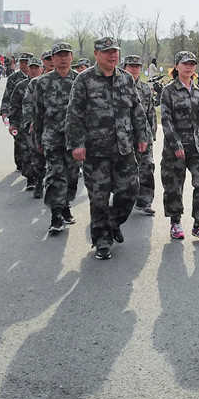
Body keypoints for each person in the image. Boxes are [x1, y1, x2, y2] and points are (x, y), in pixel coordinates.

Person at [66, 37, 148, 260]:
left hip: (124, 148)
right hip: (95, 151)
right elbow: (74, 115)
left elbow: (136, 111)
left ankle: (112, 222)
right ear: (96, 54)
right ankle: (102, 240)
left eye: (115, 51)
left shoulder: (126, 79)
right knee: (99, 198)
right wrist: (77, 143)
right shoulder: (84, 80)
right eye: (107, 52)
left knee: (130, 191)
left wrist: (143, 136)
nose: (112, 55)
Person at [160, 50, 199, 242]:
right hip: (175, 149)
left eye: (192, 64)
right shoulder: (168, 91)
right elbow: (166, 120)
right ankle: (175, 222)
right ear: (176, 66)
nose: (189, 66)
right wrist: (175, 144)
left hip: (197, 147)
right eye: (185, 63)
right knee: (174, 186)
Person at [33, 42, 80, 234]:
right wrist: (38, 139)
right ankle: (56, 215)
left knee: (72, 175)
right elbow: (38, 113)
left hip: (74, 138)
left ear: (71, 57)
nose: (63, 58)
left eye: (66, 54)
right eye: (58, 55)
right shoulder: (42, 83)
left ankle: (66, 204)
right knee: (55, 175)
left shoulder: (79, 81)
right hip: (52, 137)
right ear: (52, 59)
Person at [122, 54, 157, 216]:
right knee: (126, 170)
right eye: (131, 66)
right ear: (125, 68)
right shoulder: (120, 87)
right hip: (125, 136)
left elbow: (151, 113)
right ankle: (124, 199)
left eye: (137, 67)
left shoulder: (145, 89)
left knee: (147, 167)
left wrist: (152, 134)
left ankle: (145, 200)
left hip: (144, 135)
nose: (135, 69)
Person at [8, 57, 44, 192]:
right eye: (32, 68)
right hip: (25, 127)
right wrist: (12, 123)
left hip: (44, 127)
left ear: (42, 69)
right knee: (27, 153)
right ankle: (30, 179)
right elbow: (14, 106)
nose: (34, 70)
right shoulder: (21, 86)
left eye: (37, 68)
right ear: (28, 69)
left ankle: (40, 179)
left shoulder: (47, 83)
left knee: (41, 154)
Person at [0, 51, 32, 171]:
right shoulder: (14, 78)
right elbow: (7, 96)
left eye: (26, 62)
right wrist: (4, 111)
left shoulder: (39, 76)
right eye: (22, 62)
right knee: (18, 139)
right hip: (18, 113)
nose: (24, 65)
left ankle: (30, 166)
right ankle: (20, 163)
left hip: (33, 115)